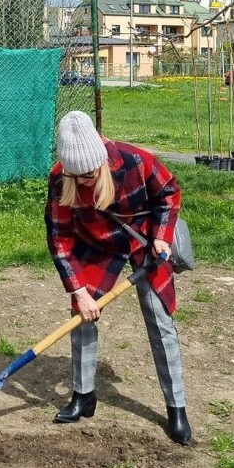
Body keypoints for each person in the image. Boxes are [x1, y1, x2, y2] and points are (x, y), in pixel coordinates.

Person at [44, 111, 191, 445]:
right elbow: (59, 241)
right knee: (82, 317)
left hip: (143, 241)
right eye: (76, 176)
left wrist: (162, 236)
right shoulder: (60, 179)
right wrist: (79, 291)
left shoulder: (135, 161)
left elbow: (169, 193)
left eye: (90, 174)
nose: (84, 181)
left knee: (160, 320)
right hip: (96, 245)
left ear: (102, 161)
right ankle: (84, 396)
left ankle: (176, 407)